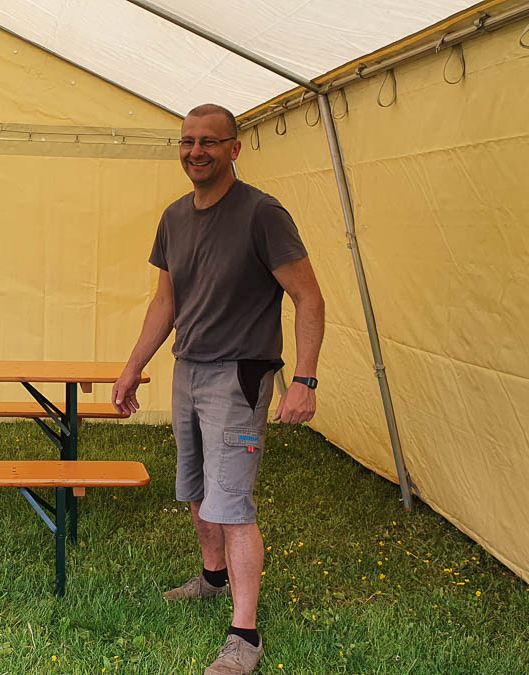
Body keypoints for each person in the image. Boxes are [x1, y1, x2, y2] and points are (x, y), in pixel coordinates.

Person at [111, 103, 325, 675]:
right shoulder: (174, 217)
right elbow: (166, 302)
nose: (196, 151)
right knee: (196, 487)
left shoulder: (262, 213)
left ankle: (244, 635)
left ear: (235, 147)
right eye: (187, 141)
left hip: (239, 375)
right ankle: (212, 579)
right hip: (189, 369)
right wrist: (132, 367)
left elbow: (308, 296)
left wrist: (304, 380)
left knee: (231, 504)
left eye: (209, 141)